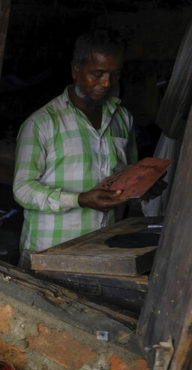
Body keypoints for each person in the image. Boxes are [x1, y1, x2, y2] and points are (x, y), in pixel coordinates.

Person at [13, 29, 138, 266]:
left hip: (102, 251)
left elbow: (129, 173)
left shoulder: (123, 118)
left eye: (115, 75)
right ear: (76, 70)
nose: (107, 83)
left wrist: (143, 187)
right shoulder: (42, 123)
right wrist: (79, 199)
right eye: (98, 74)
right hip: (48, 254)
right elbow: (22, 189)